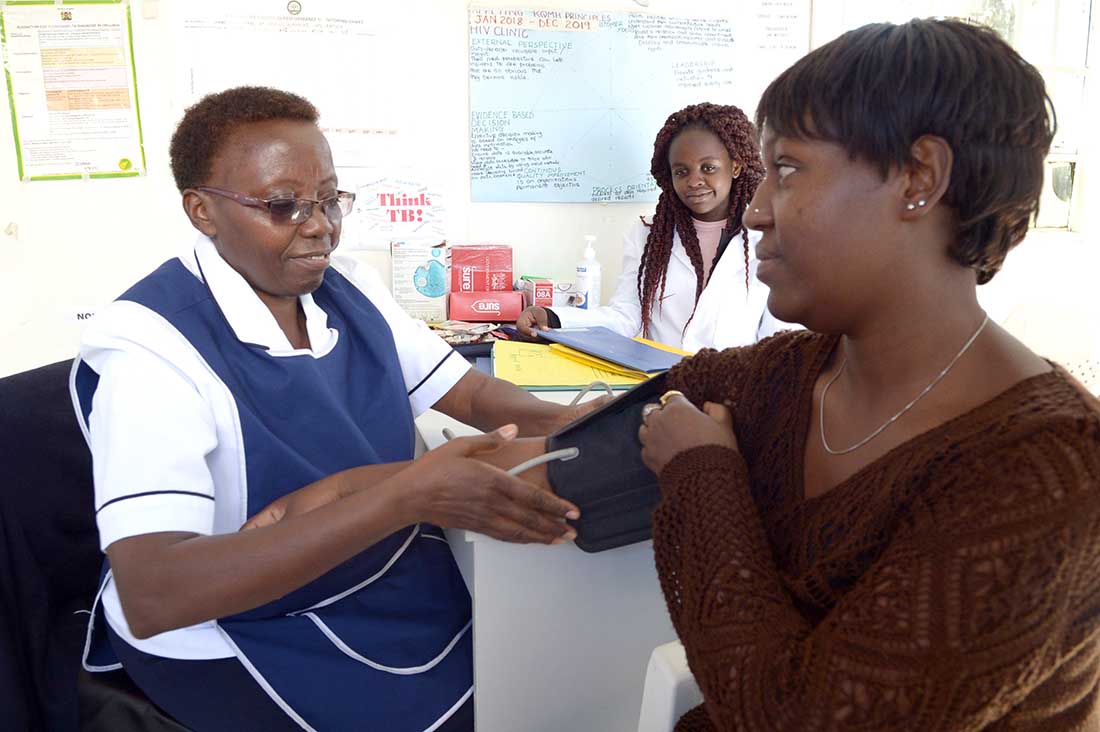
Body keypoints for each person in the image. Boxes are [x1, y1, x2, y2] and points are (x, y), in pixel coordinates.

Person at [69, 86, 596, 732]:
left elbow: (475, 395)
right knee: (486, 708)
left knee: (536, 672)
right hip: (233, 625)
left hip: (368, 567)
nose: (318, 224)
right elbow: (156, 593)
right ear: (202, 211)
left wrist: (590, 423)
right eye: (283, 205)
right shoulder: (152, 344)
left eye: (327, 199)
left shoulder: (347, 287)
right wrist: (407, 496)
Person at [633, 19, 1100, 731]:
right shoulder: (793, 373)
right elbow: (671, 394)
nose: (755, 211)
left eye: (786, 169)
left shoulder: (1051, 472)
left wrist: (702, 476)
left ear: (919, 180)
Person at [516, 103, 790, 351]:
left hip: (735, 391)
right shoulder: (648, 236)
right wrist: (553, 316)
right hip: (661, 387)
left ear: (736, 167)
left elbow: (778, 337)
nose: (694, 181)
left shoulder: (768, 240)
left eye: (708, 168)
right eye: (681, 172)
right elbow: (627, 316)